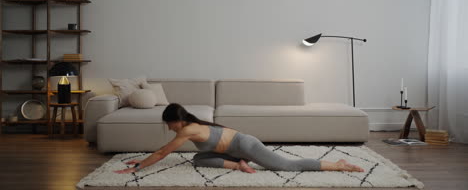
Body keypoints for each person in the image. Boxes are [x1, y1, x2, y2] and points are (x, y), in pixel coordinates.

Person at [114, 103, 364, 174]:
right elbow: (160, 150)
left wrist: (138, 167)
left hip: (245, 145)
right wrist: (139, 161)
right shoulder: (191, 124)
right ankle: (238, 165)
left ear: (176, 121)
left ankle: (338, 165)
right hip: (234, 151)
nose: (168, 129)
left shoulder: (187, 130)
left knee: (286, 166)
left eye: (168, 124)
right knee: (199, 159)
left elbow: (162, 153)